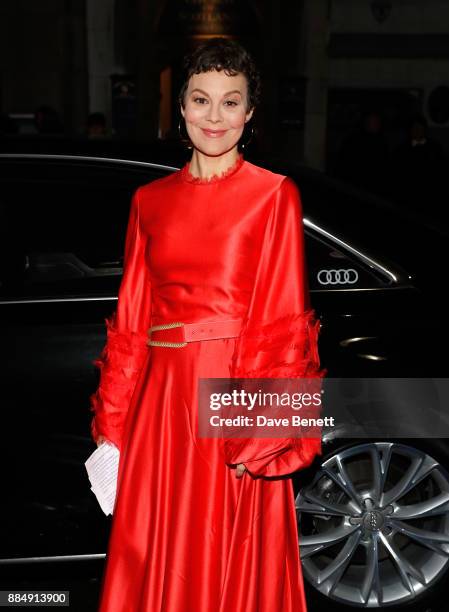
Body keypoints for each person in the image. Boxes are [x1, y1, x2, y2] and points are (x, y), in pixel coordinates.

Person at [90, 37, 326, 612]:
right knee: (156, 558)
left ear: (249, 113)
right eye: (201, 100)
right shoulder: (149, 199)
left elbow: (282, 318)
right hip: (159, 404)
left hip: (228, 399)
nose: (213, 116)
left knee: (227, 558)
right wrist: (113, 432)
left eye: (229, 102)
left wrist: (262, 430)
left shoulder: (273, 195)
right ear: (182, 108)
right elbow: (130, 322)